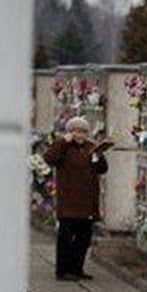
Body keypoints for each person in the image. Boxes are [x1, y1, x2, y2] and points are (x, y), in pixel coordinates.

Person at [43, 116, 110, 281]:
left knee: (84, 237)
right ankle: (63, 270)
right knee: (66, 237)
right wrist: (63, 142)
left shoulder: (90, 147)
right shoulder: (63, 146)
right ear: (70, 132)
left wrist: (99, 155)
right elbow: (49, 158)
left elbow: (102, 169)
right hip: (69, 200)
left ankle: (77, 268)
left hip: (87, 200)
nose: (80, 135)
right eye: (76, 131)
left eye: (83, 132)